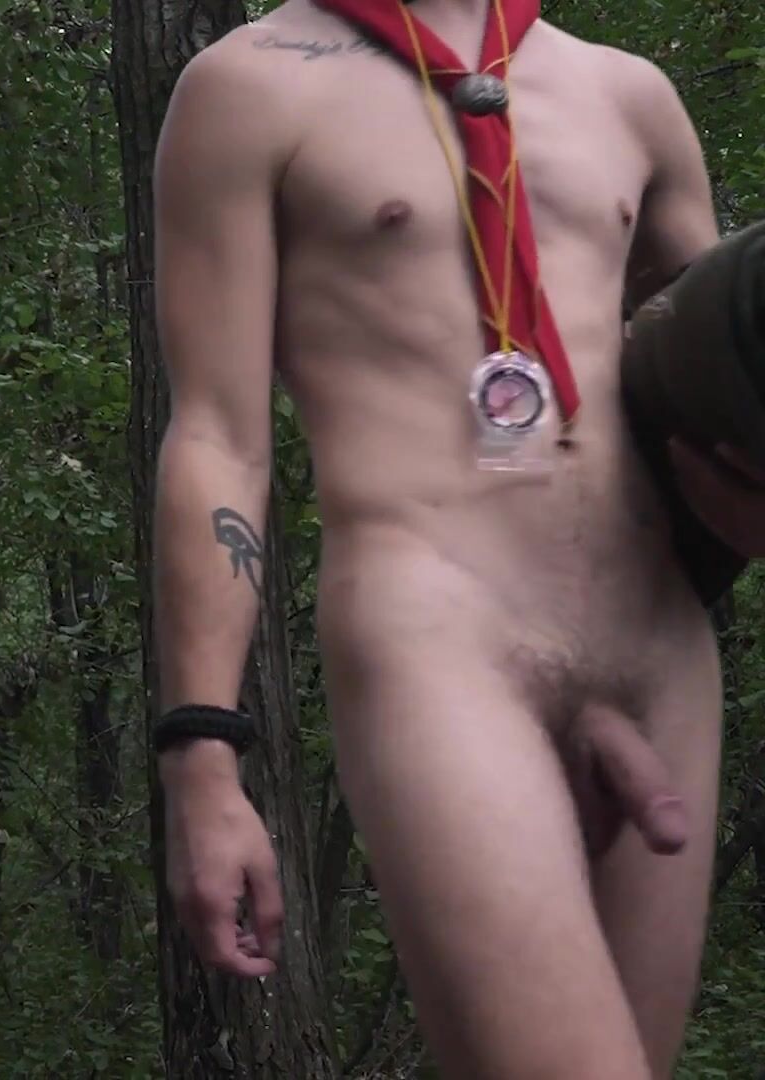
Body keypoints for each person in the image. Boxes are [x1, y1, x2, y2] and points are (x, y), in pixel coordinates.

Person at [150, 0, 765, 1076]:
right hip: (438, 639)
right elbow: (216, 435)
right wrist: (201, 750)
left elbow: (721, 385)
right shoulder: (249, 88)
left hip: (660, 640)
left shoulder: (631, 97)